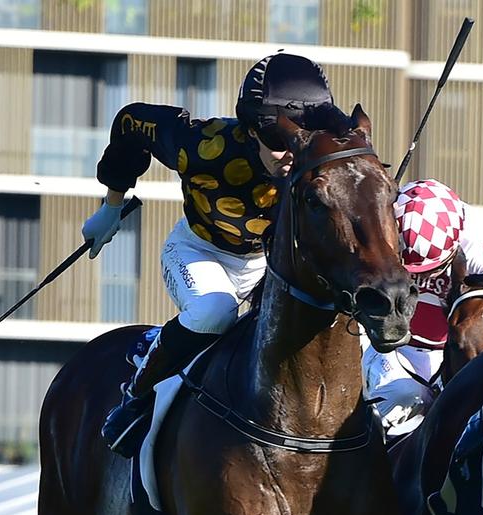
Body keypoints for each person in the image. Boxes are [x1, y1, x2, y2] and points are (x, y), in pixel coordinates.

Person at [81, 52, 338, 456]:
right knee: (215, 312)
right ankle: (137, 392)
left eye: (302, 137)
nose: (292, 152)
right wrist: (112, 206)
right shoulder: (201, 145)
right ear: (253, 130)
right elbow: (131, 121)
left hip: (269, 267)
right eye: (278, 139)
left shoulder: (317, 159)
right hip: (199, 251)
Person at [363, 179, 483, 437]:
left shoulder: (479, 247)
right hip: (388, 342)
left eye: (433, 269)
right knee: (403, 396)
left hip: (445, 348)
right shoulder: (377, 225)